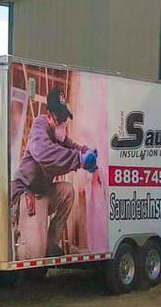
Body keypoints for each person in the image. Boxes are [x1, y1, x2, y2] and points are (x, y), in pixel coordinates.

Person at [10, 87, 97, 257]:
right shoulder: (39, 127)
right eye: (60, 119)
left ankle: (51, 244)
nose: (63, 124)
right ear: (49, 115)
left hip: (43, 192)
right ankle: (18, 239)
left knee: (67, 191)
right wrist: (80, 160)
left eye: (65, 119)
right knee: (34, 256)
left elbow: (71, 146)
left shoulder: (58, 133)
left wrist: (86, 151)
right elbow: (44, 153)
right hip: (27, 193)